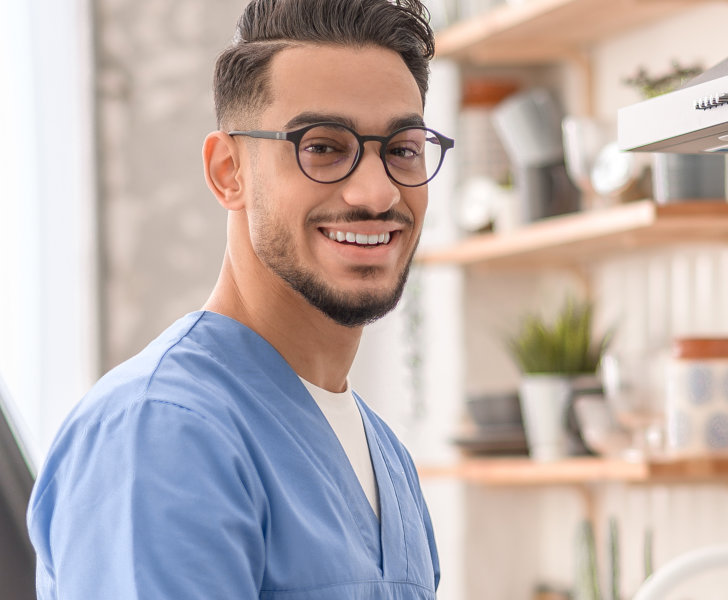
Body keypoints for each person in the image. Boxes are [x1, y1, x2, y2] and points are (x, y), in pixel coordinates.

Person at [27, 0, 452, 597]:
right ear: (229, 171)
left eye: (402, 149)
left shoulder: (387, 461)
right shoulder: (163, 434)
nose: (375, 193)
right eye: (323, 147)